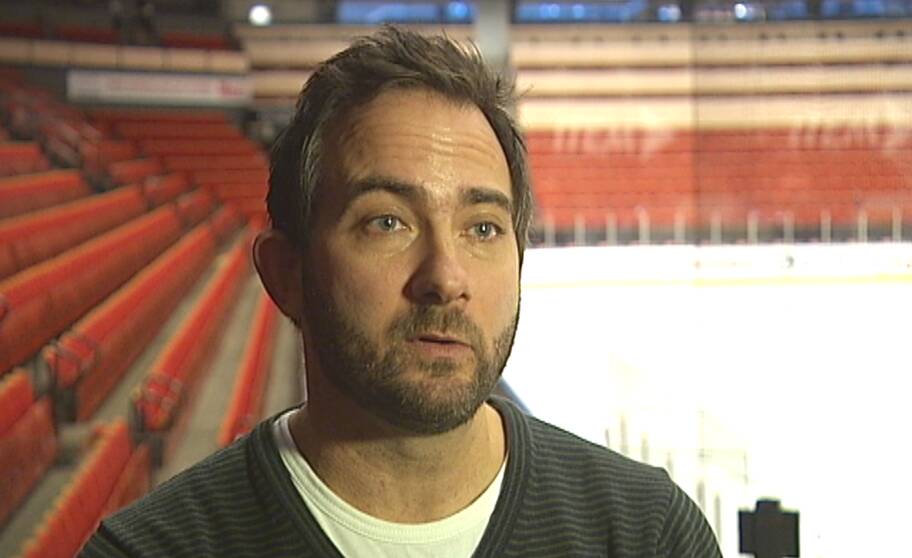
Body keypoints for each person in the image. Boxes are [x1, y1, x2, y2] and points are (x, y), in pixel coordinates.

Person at [81, 27, 721, 557]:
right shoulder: (149, 551)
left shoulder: (649, 534)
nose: (446, 277)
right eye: (387, 223)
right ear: (285, 274)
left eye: (482, 228)